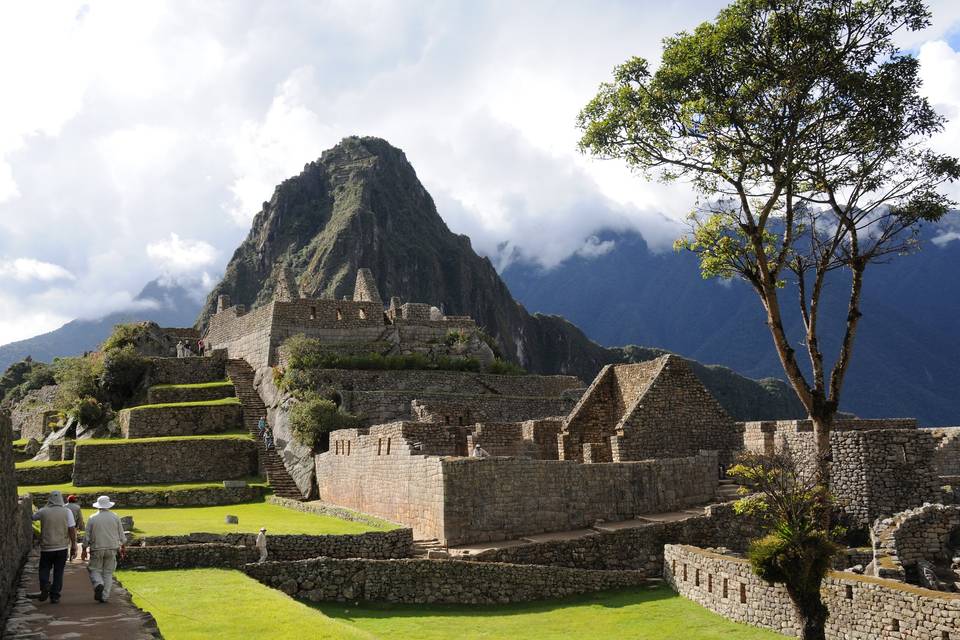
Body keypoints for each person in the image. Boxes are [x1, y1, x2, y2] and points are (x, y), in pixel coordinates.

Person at [31, 490, 77, 604]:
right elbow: (71, 529)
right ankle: (55, 595)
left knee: (44, 568)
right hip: (61, 547)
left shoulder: (43, 511)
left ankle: (45, 584)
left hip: (47, 547)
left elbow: (33, 517)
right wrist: (74, 545)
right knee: (58, 571)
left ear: (49, 499)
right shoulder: (67, 512)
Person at [83, 495, 126, 604]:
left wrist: (84, 548)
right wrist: (122, 546)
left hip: (97, 548)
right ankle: (104, 596)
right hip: (112, 548)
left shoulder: (93, 518)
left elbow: (87, 536)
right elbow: (121, 534)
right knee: (108, 573)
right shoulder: (115, 517)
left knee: (94, 569)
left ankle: (98, 584)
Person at [65, 495, 86, 562]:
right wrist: (82, 527)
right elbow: (80, 518)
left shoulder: (64, 506)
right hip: (73, 526)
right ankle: (72, 555)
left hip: (64, 526)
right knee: (73, 541)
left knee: (66, 541)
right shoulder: (77, 507)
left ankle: (66, 555)